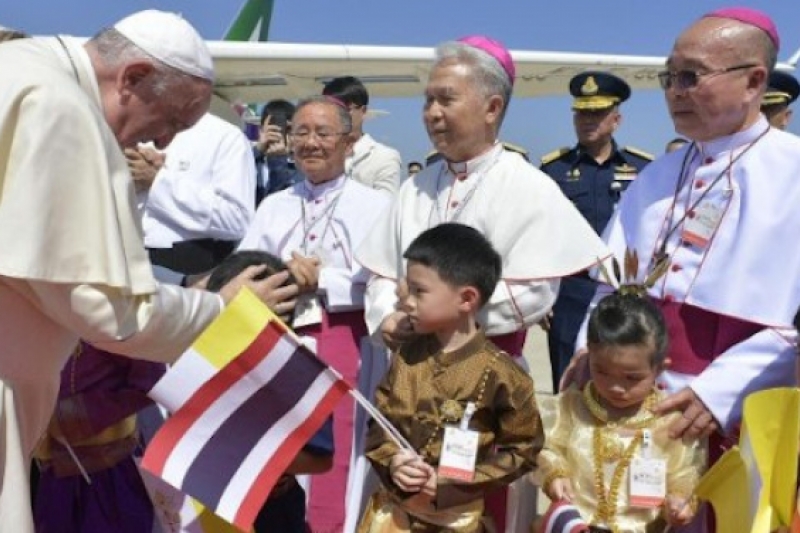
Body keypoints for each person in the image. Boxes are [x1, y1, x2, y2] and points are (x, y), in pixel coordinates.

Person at [0, 10, 296, 531]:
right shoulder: (60, 107)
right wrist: (217, 309)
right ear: (132, 78)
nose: (162, 144)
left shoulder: (17, 69)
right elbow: (102, 304)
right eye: (173, 121)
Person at [356, 36, 608, 531]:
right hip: (408, 380)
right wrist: (387, 315)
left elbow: (533, 293)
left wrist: (437, 319)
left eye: (445, 99)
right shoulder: (416, 186)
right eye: (427, 99)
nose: (430, 113)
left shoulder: (528, 186)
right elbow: (382, 275)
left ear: (492, 107)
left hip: (486, 384)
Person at [564, 6, 799, 472]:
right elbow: (612, 284)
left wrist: (719, 392)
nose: (674, 92)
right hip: (633, 396)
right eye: (669, 77)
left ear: (754, 82)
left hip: (740, 405)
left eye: (691, 77)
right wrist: (590, 348)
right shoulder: (656, 174)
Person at [237, 95, 392, 533]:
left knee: (339, 460)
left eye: (323, 133)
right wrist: (284, 275)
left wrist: (323, 280)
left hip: (345, 342)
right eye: (300, 132)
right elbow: (246, 267)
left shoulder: (375, 205)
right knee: (285, 457)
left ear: (348, 142)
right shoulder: (274, 205)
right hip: (281, 343)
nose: (310, 143)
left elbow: (383, 279)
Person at [358, 223, 542, 533]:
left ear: (467, 299)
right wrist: (392, 462)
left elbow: (524, 450)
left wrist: (451, 484)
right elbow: (379, 423)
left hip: (457, 523)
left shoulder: (502, 374)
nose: (407, 302)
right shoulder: (406, 355)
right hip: (393, 519)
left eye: (419, 291)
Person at [538, 293, 704, 533]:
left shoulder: (670, 421)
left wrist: (678, 500)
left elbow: (686, 471)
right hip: (578, 524)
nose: (616, 387)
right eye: (602, 371)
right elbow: (548, 445)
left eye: (632, 378)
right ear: (589, 358)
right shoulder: (572, 406)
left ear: (659, 369)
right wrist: (555, 473)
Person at [205, 250, 335, 533]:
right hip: (206, 507)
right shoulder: (203, 360)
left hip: (273, 512)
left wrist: (263, 458)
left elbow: (322, 458)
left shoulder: (299, 374)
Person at [540, 71, 653, 393]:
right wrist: (543, 294)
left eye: (597, 113)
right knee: (568, 382)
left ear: (616, 119)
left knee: (623, 385)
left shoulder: (643, 169)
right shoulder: (554, 170)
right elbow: (540, 234)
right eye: (581, 112)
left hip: (625, 294)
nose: (587, 120)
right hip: (570, 294)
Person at [32, 342, 166, 533]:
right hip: (54, 476)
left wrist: (74, 415)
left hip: (111, 477)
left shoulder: (121, 321)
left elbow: (153, 382)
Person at [140, 111, 257, 275]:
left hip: (190, 265)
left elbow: (236, 219)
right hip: (126, 257)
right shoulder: (130, 127)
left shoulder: (224, 136)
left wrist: (159, 182)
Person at [322, 76, 403, 195]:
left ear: (363, 111)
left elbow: (385, 205)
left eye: (345, 109)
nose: (338, 115)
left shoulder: (384, 157)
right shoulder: (318, 153)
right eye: (331, 110)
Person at [254, 99, 302, 205]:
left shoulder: (302, 171)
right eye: (273, 129)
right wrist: (257, 151)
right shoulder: (251, 162)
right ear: (261, 130)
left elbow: (279, 204)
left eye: (288, 130)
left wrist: (278, 162)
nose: (281, 134)